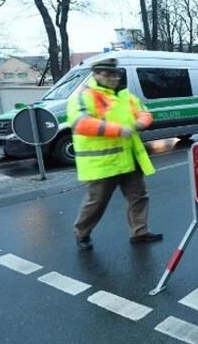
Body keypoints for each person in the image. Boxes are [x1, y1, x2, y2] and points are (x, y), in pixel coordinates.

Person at [68, 58, 162, 251]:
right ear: (96, 74)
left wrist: (140, 123)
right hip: (103, 162)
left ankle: (139, 232)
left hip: (129, 158)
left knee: (139, 197)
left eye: (115, 74)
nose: (113, 78)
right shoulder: (83, 96)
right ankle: (82, 233)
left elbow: (144, 113)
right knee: (96, 203)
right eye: (108, 74)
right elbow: (81, 123)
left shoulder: (126, 95)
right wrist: (118, 130)